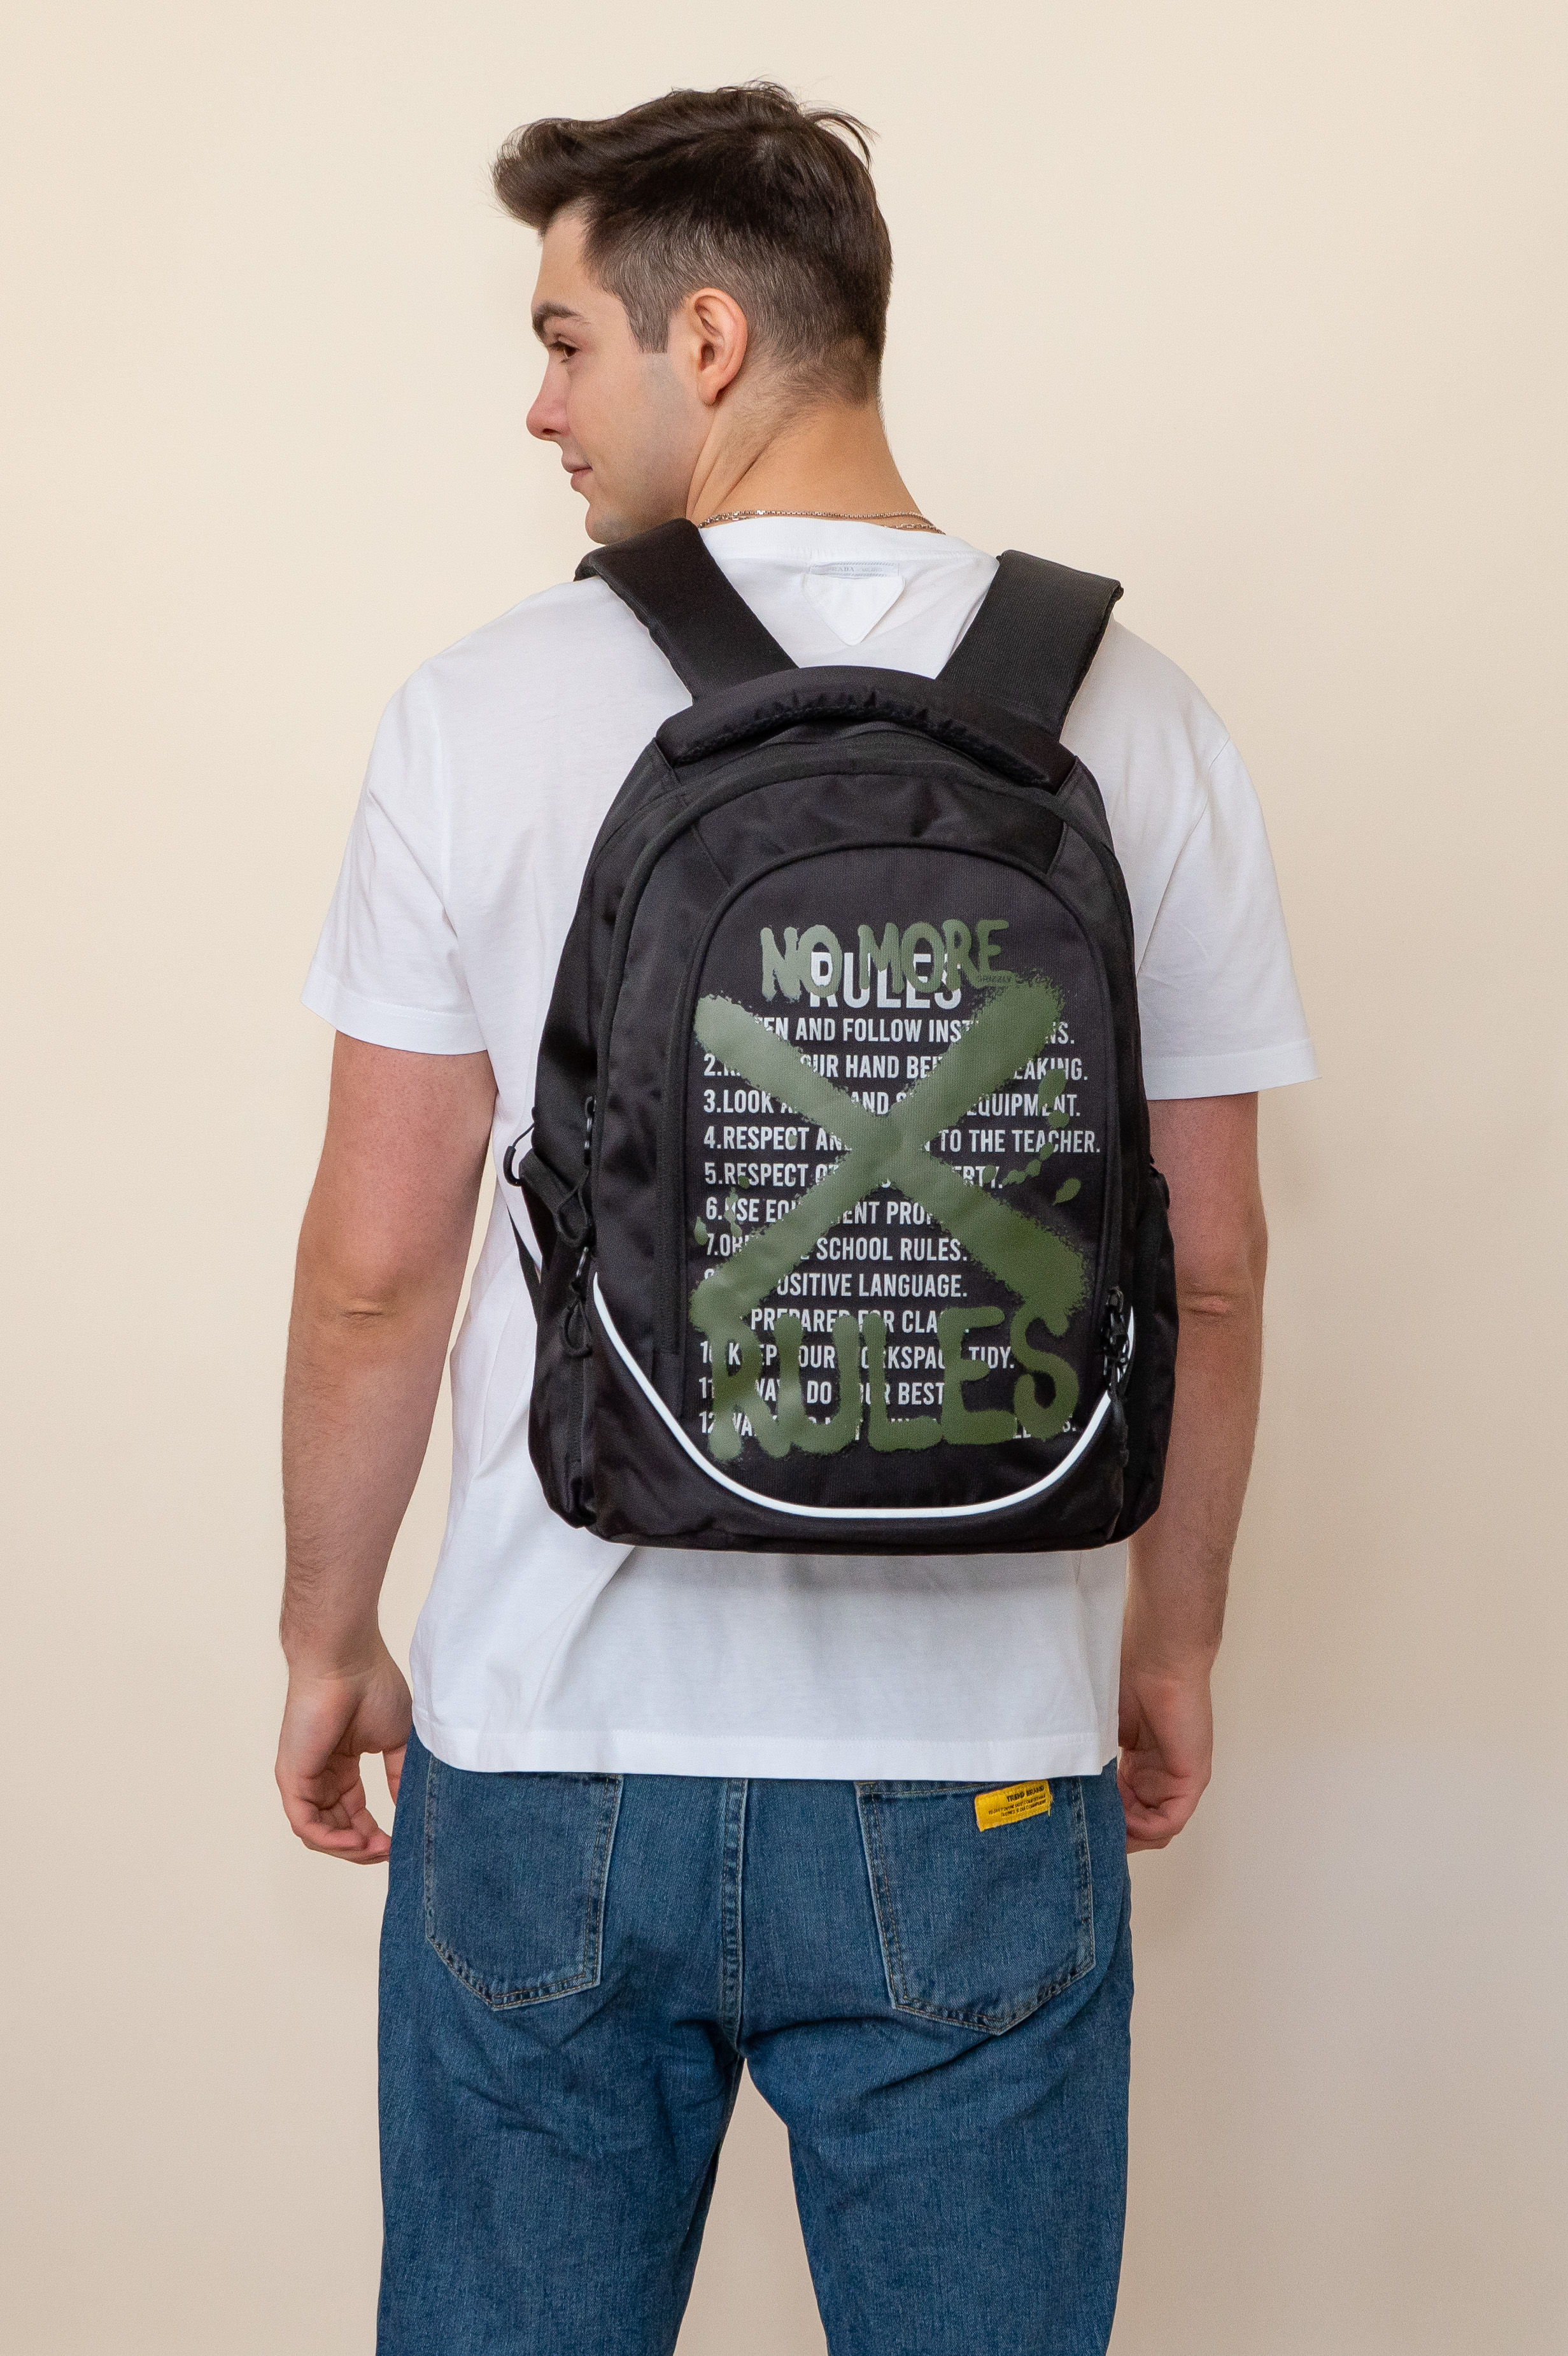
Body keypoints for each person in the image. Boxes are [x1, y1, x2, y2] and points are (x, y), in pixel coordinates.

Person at [275, 83, 1315, 2356]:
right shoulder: (1136, 717)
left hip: (551, 1744)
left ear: (710, 340)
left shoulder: (478, 712)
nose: (538, 408)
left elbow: (377, 1266)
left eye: (566, 343)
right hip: (977, 1763)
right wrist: (1170, 1641)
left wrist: (327, 1628)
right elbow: (1213, 1265)